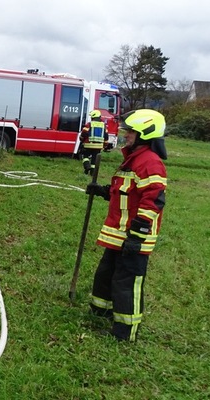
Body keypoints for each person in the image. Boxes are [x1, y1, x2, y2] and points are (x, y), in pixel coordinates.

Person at [85, 109, 167, 342]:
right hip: (118, 234)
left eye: (131, 131)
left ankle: (124, 332)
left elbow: (153, 201)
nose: (126, 135)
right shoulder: (134, 159)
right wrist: (103, 191)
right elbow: (127, 194)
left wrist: (137, 235)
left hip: (133, 237)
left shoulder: (150, 163)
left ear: (144, 133)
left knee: (126, 282)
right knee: (106, 274)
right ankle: (101, 312)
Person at [79, 110, 107, 175]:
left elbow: (84, 133)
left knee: (85, 156)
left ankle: (87, 166)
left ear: (92, 117)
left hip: (88, 145)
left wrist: (82, 139)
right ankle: (92, 173)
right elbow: (106, 136)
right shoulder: (104, 125)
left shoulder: (89, 124)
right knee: (94, 160)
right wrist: (105, 145)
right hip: (98, 146)